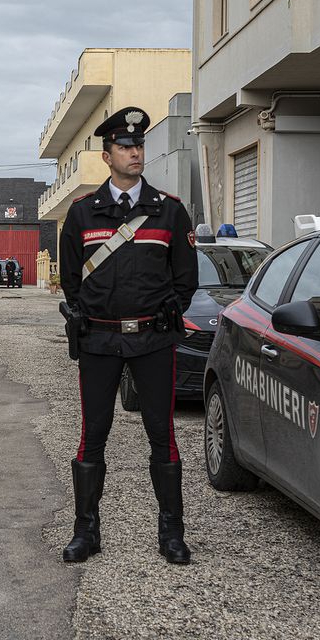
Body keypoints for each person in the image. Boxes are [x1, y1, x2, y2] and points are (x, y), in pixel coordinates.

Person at [58, 106, 199, 565]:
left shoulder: (169, 213)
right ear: (107, 155)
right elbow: (72, 281)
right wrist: (91, 315)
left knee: (162, 434)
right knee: (93, 434)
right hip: (100, 341)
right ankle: (86, 532)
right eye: (125, 146)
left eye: (139, 146)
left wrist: (164, 313)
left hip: (153, 341)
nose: (135, 152)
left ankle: (172, 534)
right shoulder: (81, 215)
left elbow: (185, 280)